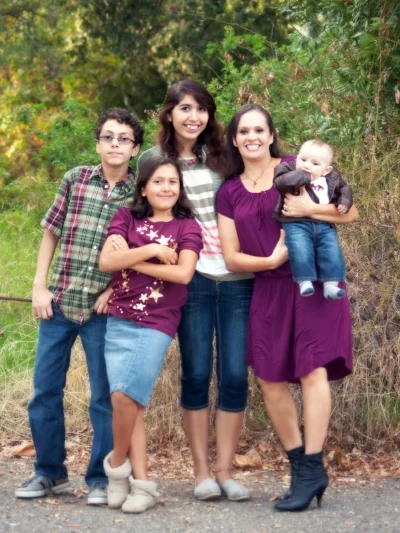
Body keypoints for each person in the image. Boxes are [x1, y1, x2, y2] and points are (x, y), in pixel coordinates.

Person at [216, 104, 358, 512]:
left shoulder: (299, 165)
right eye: (244, 131)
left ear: (271, 134)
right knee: (269, 378)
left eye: (259, 129)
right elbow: (231, 258)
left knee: (312, 369)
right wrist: (271, 260)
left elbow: (350, 212)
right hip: (269, 287)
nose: (252, 137)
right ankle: (300, 467)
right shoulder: (229, 191)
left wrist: (308, 210)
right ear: (234, 139)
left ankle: (312, 468)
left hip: (313, 282)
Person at [15, 108, 144, 505]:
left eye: (123, 139)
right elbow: (51, 233)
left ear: (135, 149)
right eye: (108, 137)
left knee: (104, 397)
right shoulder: (75, 179)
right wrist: (40, 286)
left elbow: (138, 252)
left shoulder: (139, 193)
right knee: (44, 390)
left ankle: (100, 479)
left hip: (102, 311)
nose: (115, 144)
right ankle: (49, 472)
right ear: (98, 143)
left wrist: (115, 290)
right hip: (59, 303)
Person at [138, 80, 254, 501]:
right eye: (185, 108)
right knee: (197, 373)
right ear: (169, 113)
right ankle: (201, 473)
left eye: (201, 109)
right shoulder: (153, 159)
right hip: (192, 278)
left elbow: (260, 184)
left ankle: (225, 471)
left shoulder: (226, 157)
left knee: (235, 375)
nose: (194, 117)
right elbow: (140, 214)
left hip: (239, 277)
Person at [98, 156, 203, 513]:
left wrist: (133, 258)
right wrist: (155, 251)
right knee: (129, 401)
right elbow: (107, 262)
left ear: (180, 189)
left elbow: (183, 274)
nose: (166, 188)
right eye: (158, 181)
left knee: (124, 396)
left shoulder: (187, 227)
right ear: (144, 188)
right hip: (119, 318)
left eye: (173, 182)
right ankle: (141, 485)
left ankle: (116, 467)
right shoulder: (125, 217)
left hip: (158, 321)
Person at [273, 139, 353, 299]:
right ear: (297, 157)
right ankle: (304, 280)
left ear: (326, 169)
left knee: (331, 250)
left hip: (324, 223)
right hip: (296, 223)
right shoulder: (287, 169)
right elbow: (280, 182)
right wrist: (304, 177)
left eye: (315, 163)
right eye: (303, 159)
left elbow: (345, 188)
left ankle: (331, 284)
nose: (307, 166)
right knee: (300, 248)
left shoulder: (332, 177)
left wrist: (344, 202)